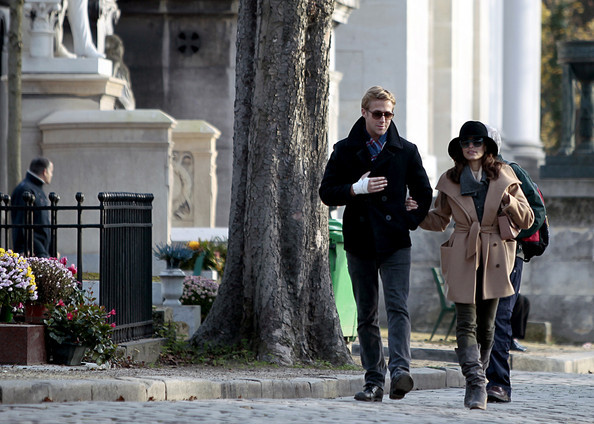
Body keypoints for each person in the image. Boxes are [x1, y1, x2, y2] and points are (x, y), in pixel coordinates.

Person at [408, 120, 534, 410]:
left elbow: (526, 219)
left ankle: (480, 378)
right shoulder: (450, 179)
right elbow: (439, 220)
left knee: (487, 326)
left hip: (496, 253)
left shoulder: (504, 174)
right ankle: (476, 383)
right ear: (459, 148)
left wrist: (509, 203)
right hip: (463, 250)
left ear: (486, 146)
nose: (471, 147)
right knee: (466, 320)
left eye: (477, 142)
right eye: (466, 143)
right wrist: (414, 214)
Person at [319, 86, 433, 402]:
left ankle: (400, 372)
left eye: (388, 114)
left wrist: (410, 215)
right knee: (366, 314)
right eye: (377, 113)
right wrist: (356, 188)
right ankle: (373, 380)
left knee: (398, 306)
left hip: (396, 241)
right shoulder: (344, 150)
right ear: (364, 113)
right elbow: (327, 191)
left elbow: (424, 193)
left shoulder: (406, 151)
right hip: (359, 241)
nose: (383, 119)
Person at [482, 125, 545, 403]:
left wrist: (514, 234)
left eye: (481, 143)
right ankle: (478, 376)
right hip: (477, 253)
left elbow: (537, 212)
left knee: (501, 316)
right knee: (478, 319)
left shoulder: (513, 171)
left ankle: (499, 383)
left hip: (510, 254)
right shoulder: (464, 175)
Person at [11, 157, 54, 258]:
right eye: (51, 171)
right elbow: (22, 224)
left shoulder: (35, 188)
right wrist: (24, 249)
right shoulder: (26, 190)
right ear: (45, 171)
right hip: (33, 251)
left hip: (40, 250)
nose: (51, 175)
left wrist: (51, 250)